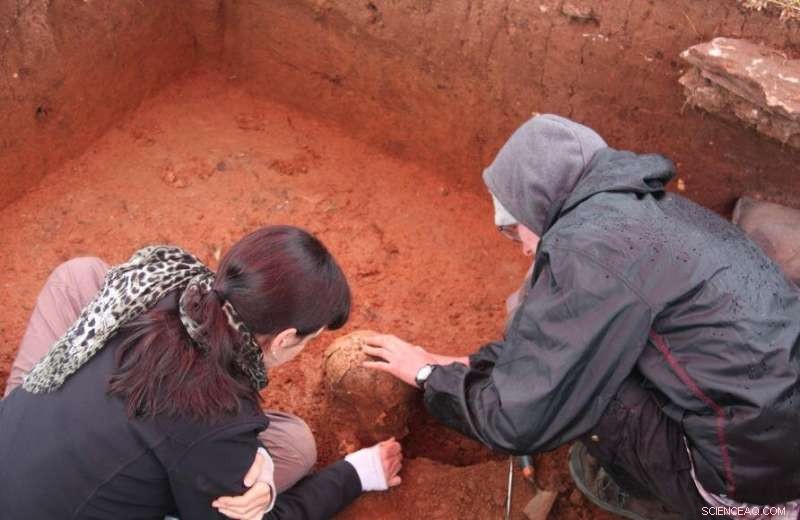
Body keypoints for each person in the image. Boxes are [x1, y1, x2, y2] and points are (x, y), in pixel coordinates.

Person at [363, 114, 800, 520]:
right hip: (774, 436)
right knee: (579, 352)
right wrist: (458, 364)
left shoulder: (589, 252)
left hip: (745, 487)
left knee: (587, 394)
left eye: (512, 228)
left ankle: (651, 493)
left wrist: (425, 375)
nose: (520, 246)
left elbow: (517, 421)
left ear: (537, 203)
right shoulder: (649, 209)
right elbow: (556, 343)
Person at [0, 225, 402, 519]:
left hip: (16, 441)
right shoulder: (217, 415)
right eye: (308, 341)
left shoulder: (168, 277)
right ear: (283, 339)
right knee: (292, 451)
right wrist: (355, 475)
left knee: (81, 276)